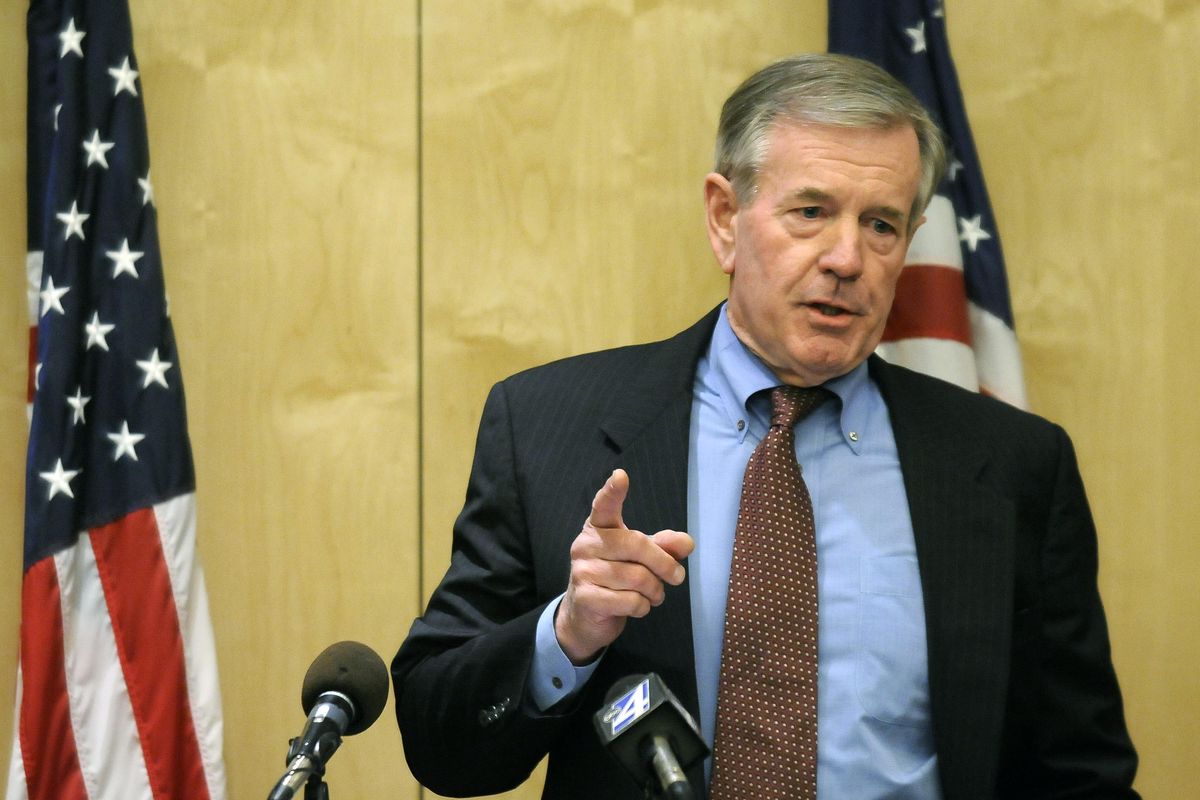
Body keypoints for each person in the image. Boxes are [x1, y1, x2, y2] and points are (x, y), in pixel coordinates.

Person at [392, 53, 1139, 799]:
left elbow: (1080, 770)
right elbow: (439, 742)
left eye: (881, 224)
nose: (847, 259)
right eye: (811, 212)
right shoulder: (548, 425)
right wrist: (568, 633)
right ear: (725, 218)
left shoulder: (1011, 464)